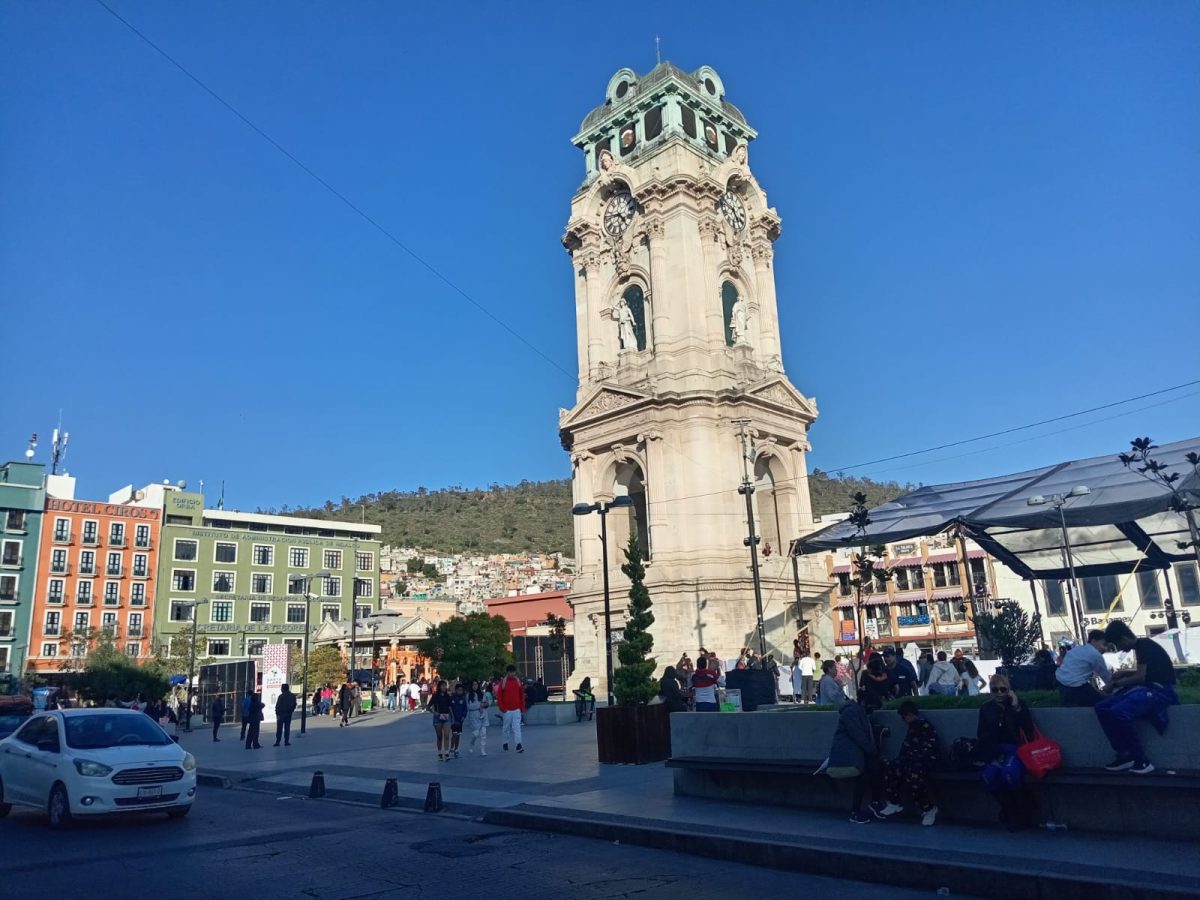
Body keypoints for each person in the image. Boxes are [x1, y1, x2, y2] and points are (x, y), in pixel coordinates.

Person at [1095, 621, 1178, 774]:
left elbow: (1140, 677)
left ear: (1124, 639)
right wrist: (1126, 673)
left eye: (1117, 645)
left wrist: (1114, 684)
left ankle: (1141, 760)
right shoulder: (1142, 646)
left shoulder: (1144, 646)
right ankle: (1125, 754)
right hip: (1149, 688)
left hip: (1160, 692)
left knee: (1119, 712)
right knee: (1101, 708)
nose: (1118, 649)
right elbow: (1146, 671)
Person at [977, 673, 1037, 830]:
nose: (999, 693)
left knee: (1009, 773)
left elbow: (1028, 729)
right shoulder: (986, 708)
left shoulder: (1017, 706)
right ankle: (1008, 810)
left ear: (1008, 690)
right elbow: (981, 735)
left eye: (1003, 689)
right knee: (988, 776)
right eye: (995, 689)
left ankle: (1021, 813)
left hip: (1016, 749)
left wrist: (1017, 707)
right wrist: (991, 755)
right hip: (995, 750)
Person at [873, 700, 940, 826]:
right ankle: (894, 802)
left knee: (913, 775)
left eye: (904, 717)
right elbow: (907, 748)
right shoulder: (913, 726)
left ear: (909, 715)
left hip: (924, 760)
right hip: (912, 758)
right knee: (892, 767)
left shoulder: (924, 726)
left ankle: (928, 808)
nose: (903, 720)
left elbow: (929, 749)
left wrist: (910, 758)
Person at [826, 693, 881, 824]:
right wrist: (873, 751)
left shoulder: (857, 712)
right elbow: (857, 735)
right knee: (865, 774)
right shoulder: (851, 712)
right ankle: (859, 810)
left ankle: (872, 803)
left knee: (870, 771)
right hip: (847, 755)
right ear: (864, 703)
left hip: (854, 753)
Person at [1054, 629, 1112, 707]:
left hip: (1061, 681)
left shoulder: (1076, 649)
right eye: (1104, 644)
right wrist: (1114, 685)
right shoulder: (1095, 654)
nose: (1105, 649)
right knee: (1103, 702)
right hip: (1076, 685)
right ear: (1093, 641)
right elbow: (1106, 676)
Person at [497, 664, 526, 752]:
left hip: (516, 709)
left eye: (513, 672)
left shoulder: (518, 682)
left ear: (515, 672)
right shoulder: (503, 682)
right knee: (506, 727)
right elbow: (499, 696)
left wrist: (522, 707)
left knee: (517, 727)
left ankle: (518, 744)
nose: (512, 674)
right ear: (507, 672)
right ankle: (505, 742)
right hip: (507, 710)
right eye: (510, 672)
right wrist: (502, 708)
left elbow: (521, 695)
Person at [428, 680, 454, 761]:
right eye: (442, 686)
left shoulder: (448, 696)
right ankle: (439, 752)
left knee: (446, 735)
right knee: (439, 736)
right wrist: (434, 713)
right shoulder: (435, 696)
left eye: (445, 686)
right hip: (438, 717)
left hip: (446, 717)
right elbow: (428, 707)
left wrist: (452, 716)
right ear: (439, 687)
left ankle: (446, 752)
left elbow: (450, 707)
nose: (444, 687)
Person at [467, 682, 490, 755]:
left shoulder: (482, 694)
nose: (475, 686)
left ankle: (483, 750)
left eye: (476, 684)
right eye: (473, 684)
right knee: (476, 734)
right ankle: (472, 743)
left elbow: (486, 703)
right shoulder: (468, 695)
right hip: (474, 716)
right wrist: (480, 705)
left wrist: (484, 705)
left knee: (483, 734)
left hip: (483, 715)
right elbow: (469, 706)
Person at [448, 682, 468, 758]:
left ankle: (456, 749)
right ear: (455, 690)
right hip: (453, 719)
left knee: (458, 734)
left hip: (460, 720)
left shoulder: (463, 699)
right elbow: (449, 708)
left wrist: (464, 716)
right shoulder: (452, 698)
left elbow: (465, 709)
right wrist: (451, 717)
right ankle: (451, 747)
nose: (460, 691)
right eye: (458, 690)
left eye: (461, 690)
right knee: (454, 734)